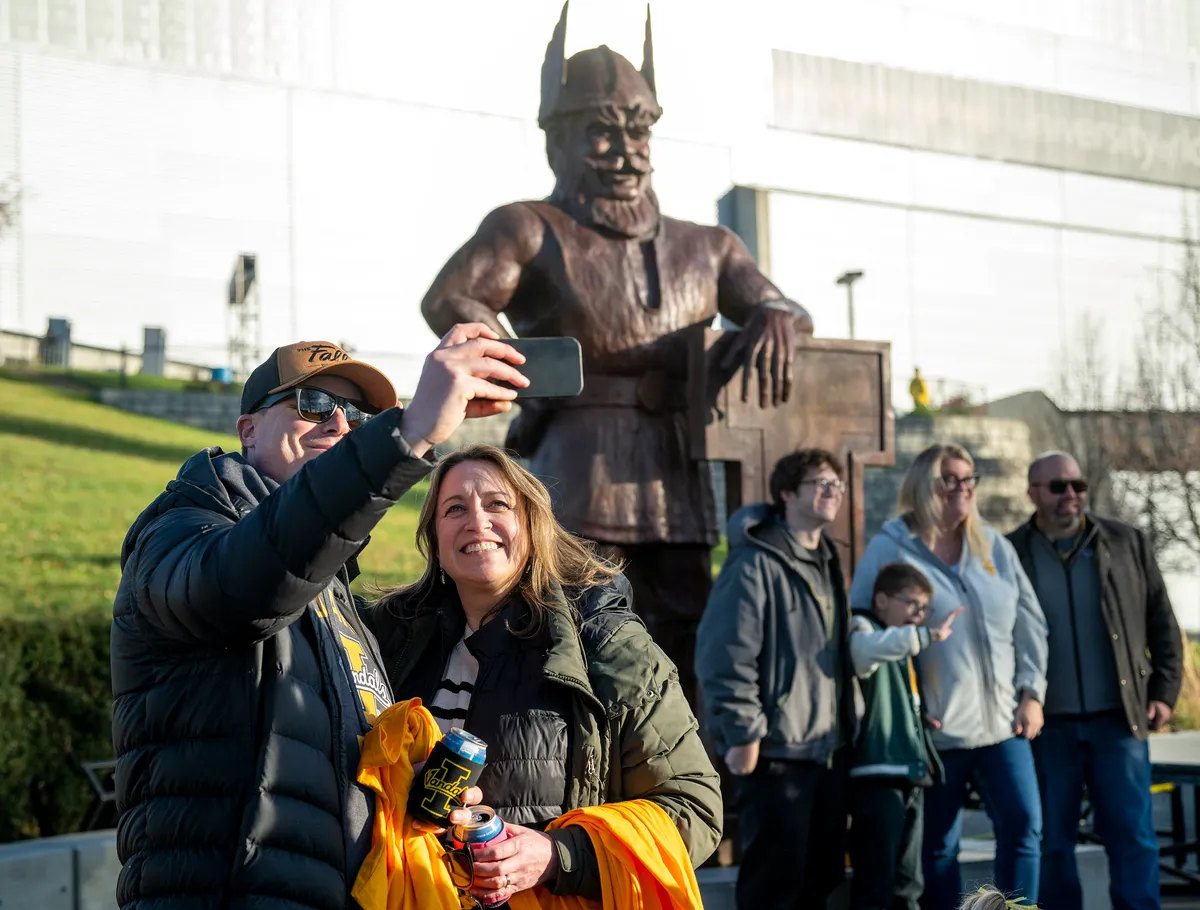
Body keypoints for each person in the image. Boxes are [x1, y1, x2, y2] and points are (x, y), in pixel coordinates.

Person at [419, 5, 814, 715]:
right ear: (558, 143)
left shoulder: (711, 245)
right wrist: (525, 374)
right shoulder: (530, 227)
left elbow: (782, 308)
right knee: (563, 633)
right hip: (575, 468)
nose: (625, 149)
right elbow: (452, 297)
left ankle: (683, 805)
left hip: (677, 478)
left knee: (683, 641)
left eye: (638, 128)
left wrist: (778, 317)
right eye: (601, 130)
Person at [110, 325, 528, 910]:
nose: (339, 424)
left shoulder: (331, 594)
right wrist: (403, 435)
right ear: (247, 429)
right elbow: (244, 586)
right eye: (314, 404)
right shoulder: (182, 525)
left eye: (358, 416)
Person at [364, 444, 722, 907]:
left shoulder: (607, 642)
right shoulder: (390, 640)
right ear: (434, 538)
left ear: (532, 527)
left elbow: (695, 808)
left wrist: (558, 856)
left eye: (498, 504)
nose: (477, 521)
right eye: (455, 509)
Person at [848, 443, 1049, 910]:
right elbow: (862, 628)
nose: (963, 488)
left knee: (1024, 829)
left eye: (969, 479)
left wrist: (1031, 692)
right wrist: (908, 706)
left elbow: (1031, 623)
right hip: (935, 737)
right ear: (923, 485)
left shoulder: (993, 545)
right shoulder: (890, 546)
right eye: (950, 479)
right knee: (937, 849)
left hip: (1004, 726)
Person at [1009, 451, 1184, 910]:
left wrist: (1164, 692)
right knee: (1052, 843)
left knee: (1133, 837)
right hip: (1047, 729)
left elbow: (1163, 622)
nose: (1071, 494)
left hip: (1119, 721)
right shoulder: (1010, 553)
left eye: (1078, 485)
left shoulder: (1126, 543)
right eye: (1058, 487)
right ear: (1032, 493)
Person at [694, 448, 858, 910]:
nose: (832, 493)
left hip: (827, 749)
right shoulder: (754, 563)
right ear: (786, 493)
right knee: (774, 887)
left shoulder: (828, 562)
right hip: (777, 753)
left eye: (836, 486)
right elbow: (723, 655)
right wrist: (743, 731)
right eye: (819, 484)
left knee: (820, 879)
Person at [848, 562, 960, 910]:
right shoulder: (865, 628)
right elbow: (865, 651)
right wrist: (927, 635)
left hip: (911, 776)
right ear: (881, 599)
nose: (919, 615)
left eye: (924, 608)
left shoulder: (900, 645)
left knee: (909, 882)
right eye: (912, 604)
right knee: (875, 883)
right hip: (876, 777)